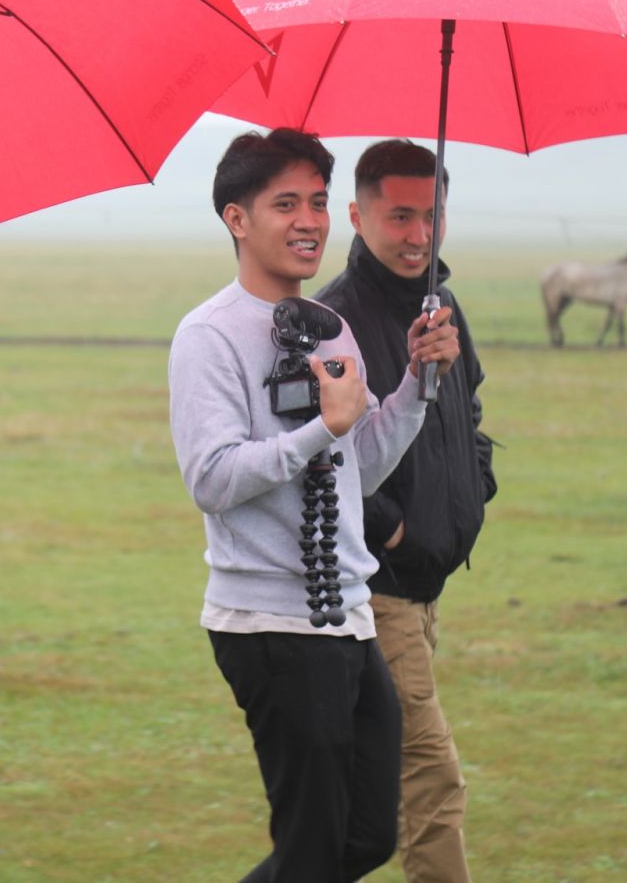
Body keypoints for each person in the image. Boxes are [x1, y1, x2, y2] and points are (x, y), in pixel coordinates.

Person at [167, 128, 460, 883]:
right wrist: (318, 431)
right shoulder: (208, 335)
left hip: (348, 617)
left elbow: (358, 469)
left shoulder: (333, 332)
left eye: (320, 203)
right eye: (286, 204)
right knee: (312, 848)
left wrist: (416, 385)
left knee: (365, 838)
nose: (309, 222)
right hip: (269, 624)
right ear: (237, 219)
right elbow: (212, 479)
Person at [315, 138, 496, 883]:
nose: (419, 234)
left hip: (426, 586)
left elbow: (467, 409)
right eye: (399, 216)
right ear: (358, 217)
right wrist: (396, 530)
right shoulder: (335, 320)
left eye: (432, 214)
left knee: (370, 795)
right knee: (430, 774)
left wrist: (475, 485)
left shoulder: (442, 308)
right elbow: (328, 458)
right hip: (377, 587)